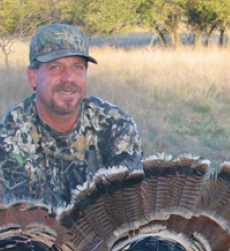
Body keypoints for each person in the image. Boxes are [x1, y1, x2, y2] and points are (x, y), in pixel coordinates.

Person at [0, 24, 143, 207]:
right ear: (33, 76)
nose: (68, 78)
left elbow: (129, 208)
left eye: (77, 67)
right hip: (38, 235)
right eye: (55, 67)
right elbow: (19, 224)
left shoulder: (117, 124)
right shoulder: (8, 137)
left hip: (107, 234)